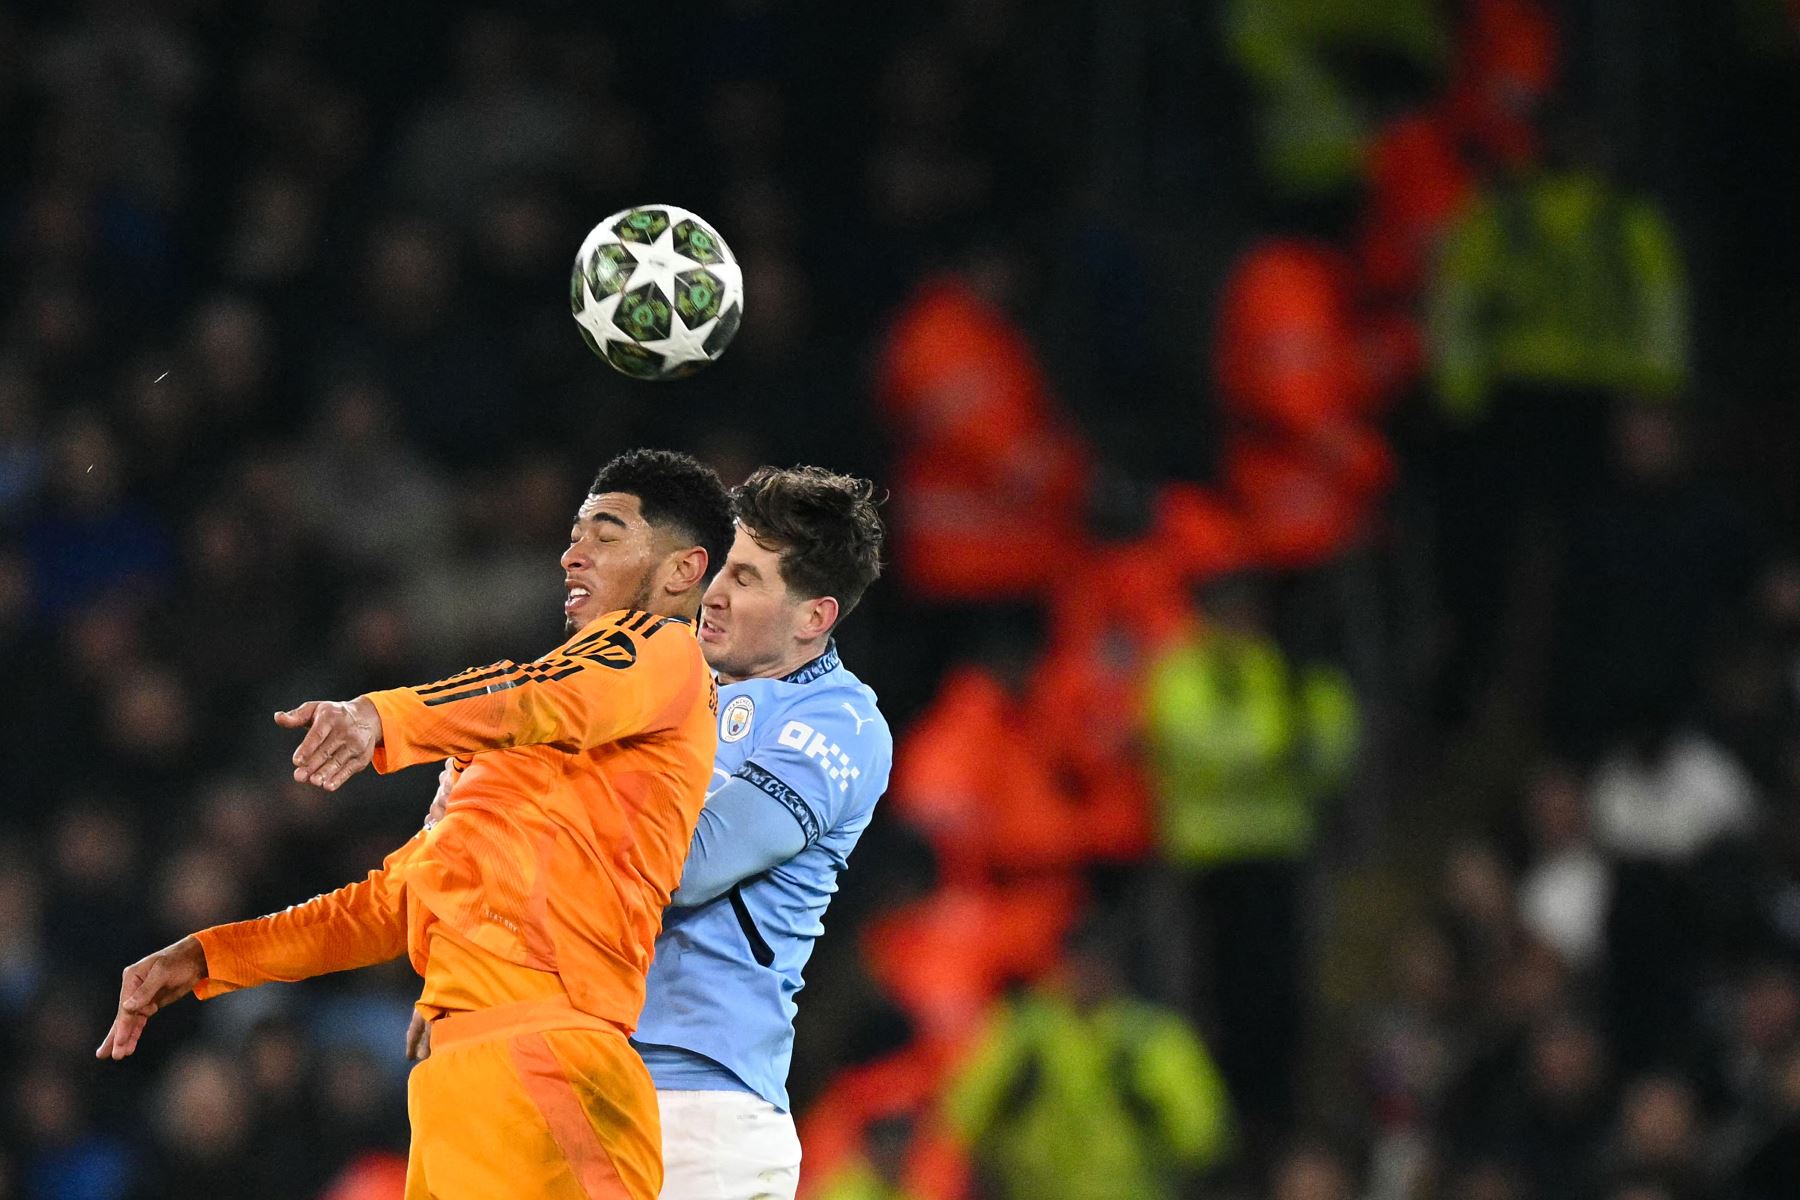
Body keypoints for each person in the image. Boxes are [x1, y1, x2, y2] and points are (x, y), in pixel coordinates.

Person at [96, 448, 736, 1200]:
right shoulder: (519, 762)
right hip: (462, 1081)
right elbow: (387, 905)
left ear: (681, 572)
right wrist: (209, 957)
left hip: (547, 1058)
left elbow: (542, 693)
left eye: (605, 532)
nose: (572, 554)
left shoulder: (663, 653)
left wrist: (381, 715)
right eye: (573, 534)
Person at [418, 464, 893, 1200]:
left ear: (813, 617)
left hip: (698, 1103)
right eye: (718, 568)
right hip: (568, 1067)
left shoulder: (837, 721)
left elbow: (691, 863)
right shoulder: (652, 679)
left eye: (747, 578)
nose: (716, 594)